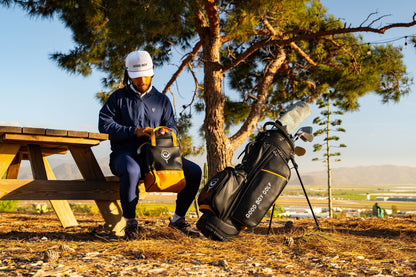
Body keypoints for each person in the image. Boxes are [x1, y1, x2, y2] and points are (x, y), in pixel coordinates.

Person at [98, 50, 202, 239]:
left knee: (194, 171)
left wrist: (165, 132)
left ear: (152, 72)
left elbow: (173, 127)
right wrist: (133, 131)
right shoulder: (117, 98)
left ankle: (178, 220)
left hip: (157, 154)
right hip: (125, 154)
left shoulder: (162, 100)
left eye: (145, 75)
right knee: (131, 171)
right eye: (136, 76)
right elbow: (104, 125)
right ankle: (130, 223)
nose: (141, 80)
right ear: (128, 74)